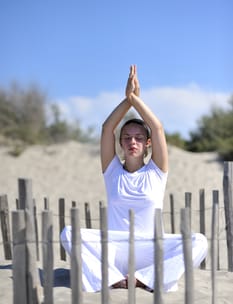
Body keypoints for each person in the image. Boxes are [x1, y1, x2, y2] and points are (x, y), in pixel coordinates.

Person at [61, 65, 208, 292]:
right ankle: (112, 279)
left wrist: (135, 99)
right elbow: (107, 128)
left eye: (139, 138)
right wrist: (126, 100)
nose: (132, 142)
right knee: (68, 233)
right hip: (115, 248)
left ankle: (143, 279)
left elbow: (157, 128)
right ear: (120, 143)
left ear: (147, 143)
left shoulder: (156, 172)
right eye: (127, 138)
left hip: (150, 249)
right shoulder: (112, 172)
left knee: (199, 241)